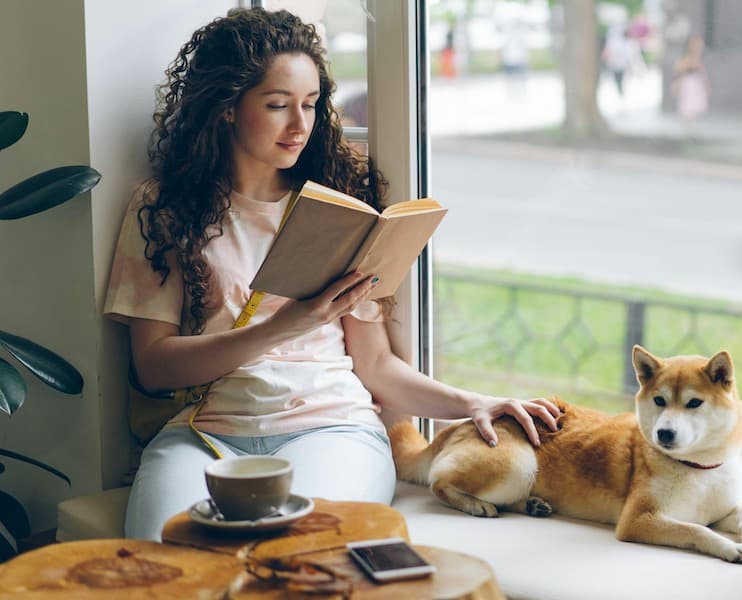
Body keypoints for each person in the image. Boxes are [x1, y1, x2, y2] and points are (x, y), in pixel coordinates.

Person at [104, 7, 561, 541]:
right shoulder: (166, 208)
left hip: (332, 426)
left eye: (311, 104)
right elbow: (152, 366)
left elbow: (373, 363)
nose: (300, 125)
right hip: (206, 432)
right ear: (227, 107)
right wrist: (286, 324)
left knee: (304, 556)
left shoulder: (339, 210)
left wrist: (473, 403)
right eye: (277, 105)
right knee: (161, 556)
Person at [673, 34, 709, 130]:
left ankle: (690, 128)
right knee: (687, 107)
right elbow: (679, 69)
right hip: (689, 84)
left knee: (695, 107)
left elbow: (702, 73)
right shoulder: (687, 57)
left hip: (697, 84)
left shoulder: (698, 57)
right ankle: (686, 128)